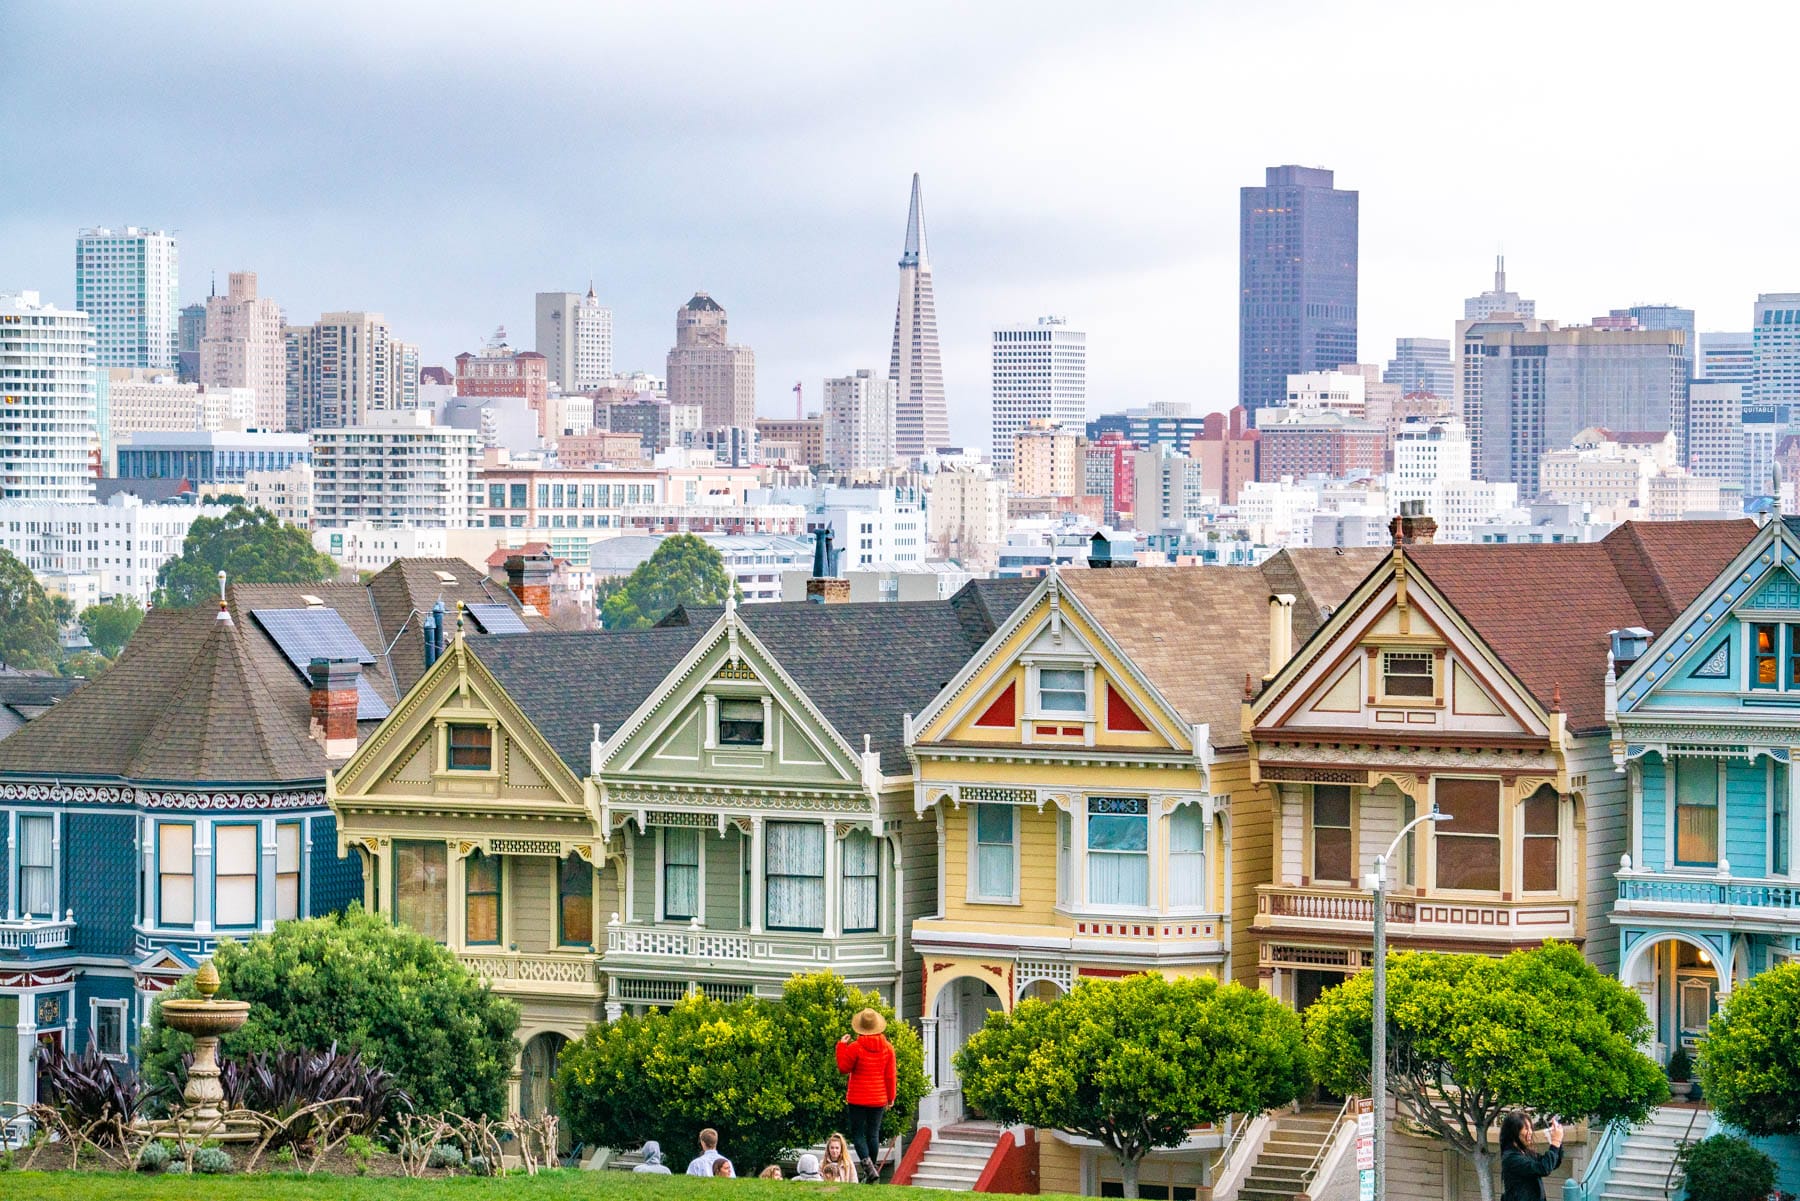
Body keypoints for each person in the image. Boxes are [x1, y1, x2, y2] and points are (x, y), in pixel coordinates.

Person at [835, 1008, 897, 1183]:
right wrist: (891, 1097)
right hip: (878, 1098)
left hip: (857, 1098)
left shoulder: (855, 1047)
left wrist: (841, 1045)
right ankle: (872, 1170)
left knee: (858, 1134)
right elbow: (890, 1076)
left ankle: (869, 1169)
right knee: (873, 1134)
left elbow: (843, 1068)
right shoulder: (888, 1048)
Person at [1499, 1111, 1564, 1201]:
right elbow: (1543, 1168)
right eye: (1526, 1128)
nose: (1530, 1132)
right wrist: (1555, 1141)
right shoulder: (1511, 1158)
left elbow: (1552, 1164)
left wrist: (1556, 1142)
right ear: (1514, 1132)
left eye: (1530, 1128)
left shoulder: (1526, 1153)